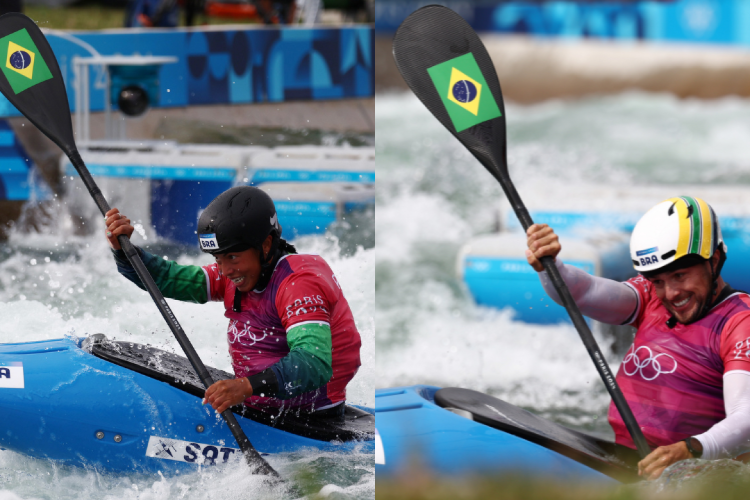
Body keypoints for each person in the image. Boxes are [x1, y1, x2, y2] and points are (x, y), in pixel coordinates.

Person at [525, 196, 750, 480]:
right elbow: (579, 293)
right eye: (658, 281)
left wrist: (688, 449)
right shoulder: (648, 296)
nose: (670, 294)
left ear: (714, 260)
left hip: (695, 476)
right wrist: (551, 265)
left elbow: (745, 417)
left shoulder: (740, 321)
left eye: (680, 275)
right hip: (636, 462)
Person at [104, 186, 362, 422]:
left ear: (266, 245)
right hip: (258, 406)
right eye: (218, 259)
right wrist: (125, 251)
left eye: (233, 257)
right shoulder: (239, 274)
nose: (225, 270)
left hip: (311, 418)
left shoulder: (299, 283)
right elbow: (168, 279)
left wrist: (245, 386)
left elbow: (313, 361)